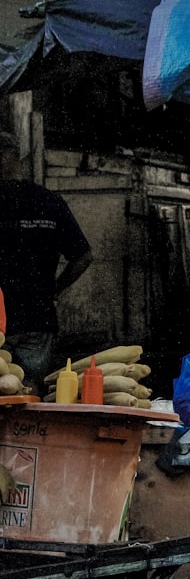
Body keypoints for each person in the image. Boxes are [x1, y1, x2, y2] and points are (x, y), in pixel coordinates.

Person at [0, 132, 92, 392]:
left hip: (1, 321)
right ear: (17, 157)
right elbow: (83, 256)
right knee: (32, 394)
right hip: (38, 318)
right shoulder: (49, 201)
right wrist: (55, 289)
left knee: (3, 393)